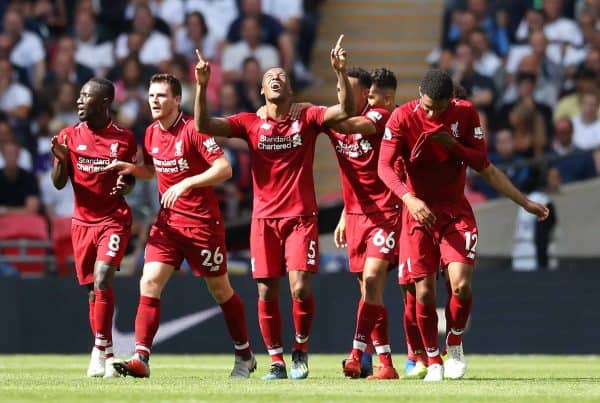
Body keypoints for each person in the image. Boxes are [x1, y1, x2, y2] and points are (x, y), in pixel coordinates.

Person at [194, 35, 355, 380]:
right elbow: (204, 125)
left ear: (291, 90)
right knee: (266, 290)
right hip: (263, 219)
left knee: (299, 287)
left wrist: (340, 74)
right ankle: (277, 361)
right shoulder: (250, 123)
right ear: (262, 91)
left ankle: (300, 349)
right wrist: (201, 86)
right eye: (270, 78)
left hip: (299, 216)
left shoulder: (308, 116)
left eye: (282, 76)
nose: (276, 79)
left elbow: (345, 111)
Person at [378, 69, 549, 381]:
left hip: (455, 210)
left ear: (450, 100)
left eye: (438, 107)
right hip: (419, 212)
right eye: (427, 106)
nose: (431, 112)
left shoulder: (465, 113)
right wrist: (409, 199)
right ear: (419, 93)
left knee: (461, 284)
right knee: (424, 293)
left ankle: (453, 344)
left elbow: (483, 164)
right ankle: (432, 360)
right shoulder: (402, 118)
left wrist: (524, 202)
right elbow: (384, 166)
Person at [105, 73, 256, 379]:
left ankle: (245, 356)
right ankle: (141, 357)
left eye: (161, 96)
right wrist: (132, 169)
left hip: (201, 224)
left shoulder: (194, 130)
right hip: (168, 224)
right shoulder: (149, 133)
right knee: (149, 282)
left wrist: (187, 182)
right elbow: (151, 170)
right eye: (151, 96)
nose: (154, 101)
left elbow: (224, 168)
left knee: (220, 289)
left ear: (177, 100)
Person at [50, 78, 137, 378]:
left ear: (104, 103)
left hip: (113, 219)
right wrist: (61, 162)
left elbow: (130, 178)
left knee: (102, 279)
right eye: (79, 95)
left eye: (86, 96)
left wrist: (125, 184)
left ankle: (100, 349)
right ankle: (104, 351)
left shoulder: (124, 138)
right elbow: (59, 183)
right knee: (92, 291)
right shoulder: (68, 136)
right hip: (82, 222)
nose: (78, 101)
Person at [321, 67, 400, 380]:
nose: (342, 94)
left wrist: (320, 114)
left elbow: (353, 122)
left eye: (347, 89)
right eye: (339, 88)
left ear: (364, 94)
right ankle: (387, 364)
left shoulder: (378, 115)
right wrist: (343, 212)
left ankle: (355, 355)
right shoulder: (336, 124)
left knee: (371, 279)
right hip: (355, 217)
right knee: (372, 293)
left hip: (385, 212)